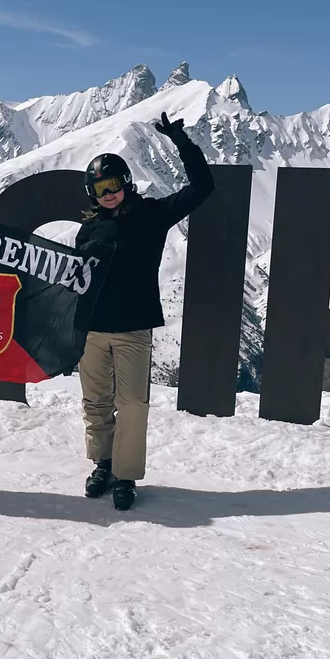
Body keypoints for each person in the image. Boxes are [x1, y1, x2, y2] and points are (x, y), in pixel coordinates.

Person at [75, 112, 214, 510]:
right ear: (91, 192)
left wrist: (182, 143)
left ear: (125, 183)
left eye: (113, 183)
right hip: (92, 329)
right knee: (96, 402)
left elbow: (203, 187)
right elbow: (75, 277)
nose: (108, 193)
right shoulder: (89, 229)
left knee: (133, 405)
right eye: (99, 187)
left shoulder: (152, 214)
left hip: (134, 329)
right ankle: (103, 464)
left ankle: (126, 475)